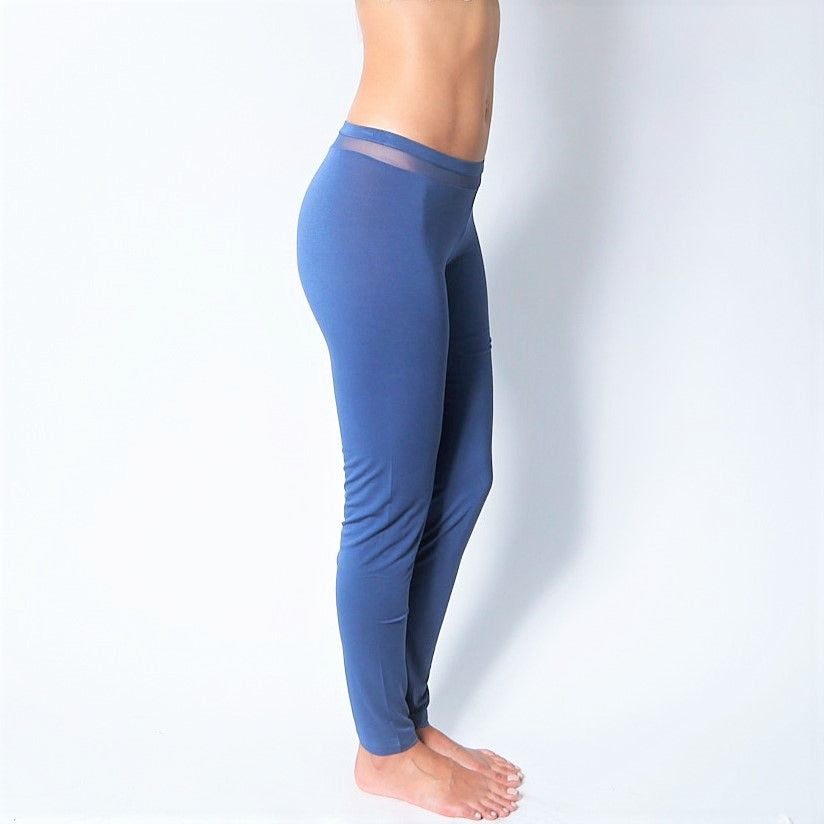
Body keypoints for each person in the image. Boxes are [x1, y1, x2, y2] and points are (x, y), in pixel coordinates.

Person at [296, 1, 522, 819]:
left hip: (448, 212)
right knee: (389, 502)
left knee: (464, 480)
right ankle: (383, 751)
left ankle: (405, 719)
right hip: (379, 205)